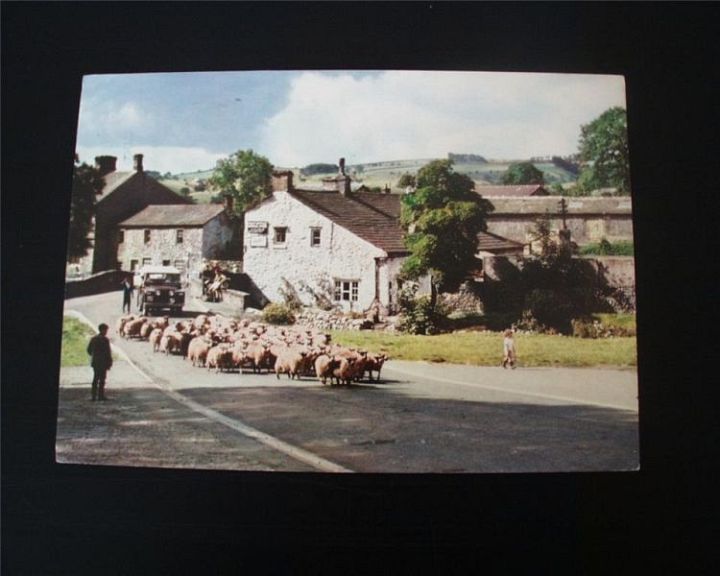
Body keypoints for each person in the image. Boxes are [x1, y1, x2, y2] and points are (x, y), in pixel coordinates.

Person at [87, 323, 113, 401]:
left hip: (95, 362)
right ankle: (100, 396)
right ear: (102, 330)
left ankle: (93, 396)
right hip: (103, 362)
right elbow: (108, 352)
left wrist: (94, 355)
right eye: (105, 330)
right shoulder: (105, 340)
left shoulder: (93, 339)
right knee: (102, 379)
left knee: (95, 378)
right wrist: (109, 362)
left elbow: (88, 350)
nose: (106, 332)